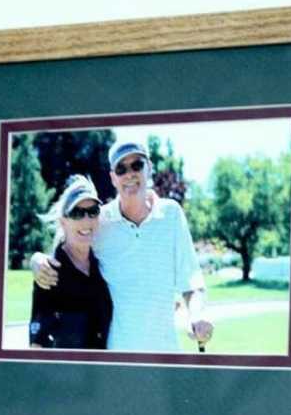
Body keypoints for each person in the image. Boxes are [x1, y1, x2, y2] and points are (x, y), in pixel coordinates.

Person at [32, 141, 213, 352]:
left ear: (149, 168)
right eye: (121, 169)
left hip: (166, 354)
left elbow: (191, 281)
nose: (130, 174)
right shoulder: (100, 220)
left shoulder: (171, 214)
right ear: (113, 178)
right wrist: (37, 260)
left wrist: (197, 315)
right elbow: (71, 245)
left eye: (137, 165)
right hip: (115, 359)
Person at [29, 175, 112, 349]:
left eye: (93, 211)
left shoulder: (104, 264)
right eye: (77, 213)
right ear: (63, 222)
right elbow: (37, 346)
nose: (86, 220)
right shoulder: (49, 273)